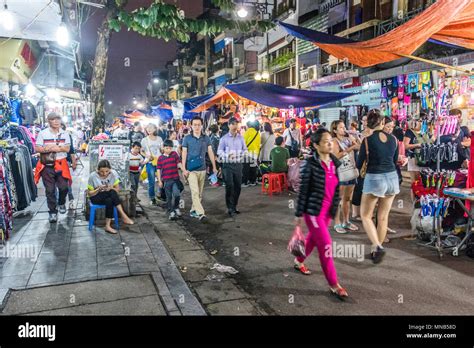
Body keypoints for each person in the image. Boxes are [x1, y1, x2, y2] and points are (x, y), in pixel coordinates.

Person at [294, 128, 348, 299]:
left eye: (330, 140)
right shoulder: (309, 164)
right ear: (316, 145)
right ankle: (334, 284)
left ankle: (298, 261)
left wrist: (334, 210)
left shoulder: (334, 163)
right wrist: (298, 215)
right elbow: (303, 191)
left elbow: (336, 190)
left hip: (327, 213)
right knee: (325, 245)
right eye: (325, 141)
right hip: (313, 212)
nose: (330, 143)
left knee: (312, 240)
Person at [357, 110, 400, 264]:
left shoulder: (367, 141)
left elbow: (359, 163)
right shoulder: (394, 140)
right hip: (392, 178)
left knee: (366, 215)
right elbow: (395, 160)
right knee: (383, 217)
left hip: (375, 178)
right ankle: (377, 249)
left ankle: (377, 246)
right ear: (382, 123)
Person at [34, 113, 72, 223]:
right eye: (53, 119)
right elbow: (37, 148)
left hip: (61, 164)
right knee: (50, 190)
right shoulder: (43, 133)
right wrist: (50, 149)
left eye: (58, 119)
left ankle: (61, 203)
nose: (56, 121)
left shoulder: (65, 133)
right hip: (47, 165)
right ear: (49, 121)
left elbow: (67, 149)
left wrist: (55, 147)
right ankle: (52, 212)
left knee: (64, 187)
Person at [181, 116, 218, 221]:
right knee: (195, 192)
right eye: (195, 125)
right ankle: (201, 214)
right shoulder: (187, 138)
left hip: (202, 168)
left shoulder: (206, 138)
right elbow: (184, 153)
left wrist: (214, 166)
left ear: (202, 126)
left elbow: (210, 152)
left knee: (200, 193)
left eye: (199, 125)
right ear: (191, 126)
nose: (197, 127)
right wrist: (184, 169)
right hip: (191, 169)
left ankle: (193, 211)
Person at [88, 160, 134, 234]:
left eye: (107, 171)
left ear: (110, 169)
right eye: (101, 171)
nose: (104, 174)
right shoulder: (92, 176)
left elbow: (117, 190)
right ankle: (123, 215)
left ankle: (107, 226)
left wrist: (111, 187)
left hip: (108, 196)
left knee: (110, 199)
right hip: (96, 197)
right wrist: (98, 189)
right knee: (111, 193)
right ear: (97, 169)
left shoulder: (113, 173)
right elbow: (90, 194)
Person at [331, 120, 360, 234]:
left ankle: (346, 221)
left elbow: (359, 147)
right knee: (338, 199)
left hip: (351, 171)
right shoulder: (334, 141)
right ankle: (337, 222)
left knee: (347, 199)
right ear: (335, 130)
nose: (344, 129)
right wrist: (350, 148)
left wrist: (355, 139)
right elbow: (335, 156)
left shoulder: (348, 139)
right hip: (340, 173)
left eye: (344, 127)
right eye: (341, 128)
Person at [217, 117, 247, 217]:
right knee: (229, 185)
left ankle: (234, 205)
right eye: (233, 124)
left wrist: (240, 154)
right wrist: (227, 155)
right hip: (227, 165)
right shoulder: (224, 138)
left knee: (238, 186)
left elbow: (245, 150)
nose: (235, 126)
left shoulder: (241, 138)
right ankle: (229, 207)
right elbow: (219, 151)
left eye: (236, 124)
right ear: (229, 125)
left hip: (238, 164)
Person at [157, 140, 183, 221]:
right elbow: (158, 170)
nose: (168, 150)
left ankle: (176, 207)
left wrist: (184, 170)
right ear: (163, 148)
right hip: (166, 181)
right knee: (168, 197)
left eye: (170, 148)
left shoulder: (174, 154)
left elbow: (179, 163)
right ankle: (171, 211)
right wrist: (159, 181)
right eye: (166, 148)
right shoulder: (160, 158)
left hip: (175, 179)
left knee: (177, 194)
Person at [141, 124, 164, 205]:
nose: (149, 129)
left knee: (161, 179)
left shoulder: (159, 139)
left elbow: (162, 150)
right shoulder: (144, 140)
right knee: (151, 181)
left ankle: (161, 194)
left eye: (151, 128)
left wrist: (162, 150)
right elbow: (141, 151)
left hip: (160, 162)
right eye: (147, 128)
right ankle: (152, 198)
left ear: (155, 129)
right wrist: (147, 156)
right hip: (150, 162)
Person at [404, 117, 424, 183]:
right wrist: (417, 145)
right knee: (415, 182)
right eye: (417, 121)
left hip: (424, 160)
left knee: (423, 181)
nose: (419, 122)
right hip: (414, 158)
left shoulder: (426, 131)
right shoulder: (409, 131)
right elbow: (405, 145)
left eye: (421, 121)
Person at [63, 124, 77, 209]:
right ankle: (59, 202)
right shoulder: (50, 136)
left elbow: (71, 150)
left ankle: (70, 199)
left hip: (65, 161)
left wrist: (73, 161)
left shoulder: (67, 136)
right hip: (52, 162)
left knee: (66, 180)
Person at [242, 121, 261, 187]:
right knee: (253, 168)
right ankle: (253, 181)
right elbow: (258, 144)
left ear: (248, 126)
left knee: (246, 168)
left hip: (248, 153)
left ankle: (245, 182)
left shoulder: (247, 132)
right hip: (255, 153)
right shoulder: (257, 133)